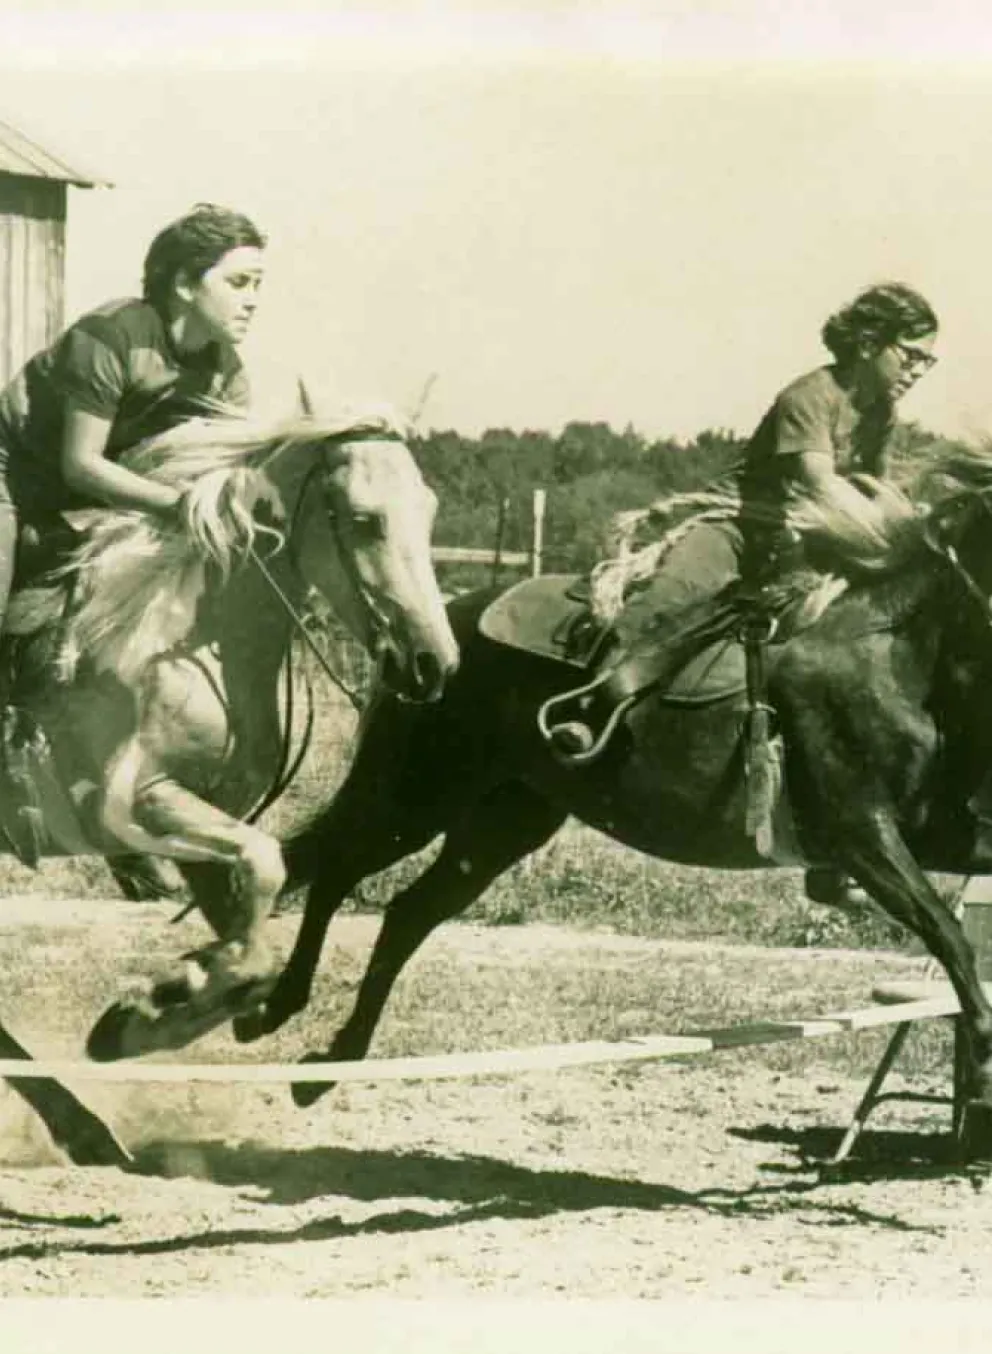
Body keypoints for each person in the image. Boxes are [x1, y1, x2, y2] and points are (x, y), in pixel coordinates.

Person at [588, 282, 940, 907]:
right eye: (910, 352)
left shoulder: (880, 412)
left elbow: (873, 490)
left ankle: (838, 842)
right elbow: (823, 491)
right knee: (658, 611)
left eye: (925, 359)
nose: (918, 368)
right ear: (868, 343)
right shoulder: (810, 396)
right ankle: (590, 706)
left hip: (808, 545)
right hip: (740, 531)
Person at [0, 201, 267, 884]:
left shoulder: (227, 373)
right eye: (239, 283)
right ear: (184, 284)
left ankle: (115, 791)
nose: (253, 301)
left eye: (259, 285)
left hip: (94, 502)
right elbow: (80, 465)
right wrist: (183, 507)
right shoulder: (112, 336)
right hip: (16, 480)